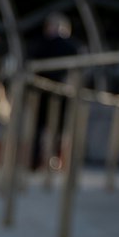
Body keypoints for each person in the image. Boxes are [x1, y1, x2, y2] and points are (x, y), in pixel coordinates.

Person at [29, 13, 79, 170]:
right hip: (63, 93)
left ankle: (36, 159)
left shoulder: (40, 45)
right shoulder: (71, 46)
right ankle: (54, 157)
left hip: (41, 93)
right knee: (58, 127)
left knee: (39, 128)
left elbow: (32, 68)